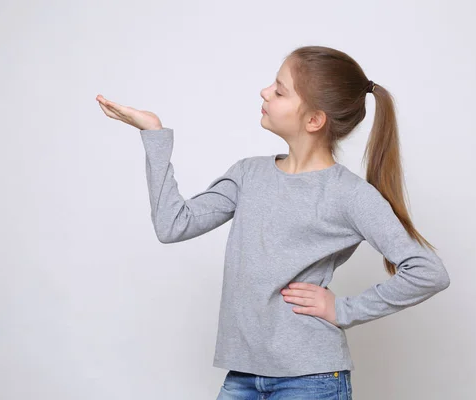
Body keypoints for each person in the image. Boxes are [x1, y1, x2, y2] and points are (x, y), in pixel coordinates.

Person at [96, 45, 450, 400]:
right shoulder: (248, 174)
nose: (265, 92)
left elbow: (427, 271)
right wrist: (154, 135)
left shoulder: (350, 195)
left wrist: (342, 309)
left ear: (314, 120)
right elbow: (173, 225)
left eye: (280, 91)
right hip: (242, 377)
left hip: (312, 380)